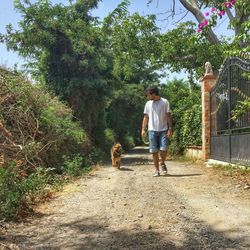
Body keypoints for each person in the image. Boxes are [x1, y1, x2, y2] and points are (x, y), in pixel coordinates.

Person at [141, 86, 173, 177]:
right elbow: (146, 117)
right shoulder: (148, 104)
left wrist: (170, 128)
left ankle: (162, 162)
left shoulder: (165, 102)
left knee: (164, 149)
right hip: (152, 130)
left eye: (148, 95)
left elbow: (168, 115)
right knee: (154, 151)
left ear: (153, 94)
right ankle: (157, 170)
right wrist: (143, 129)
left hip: (163, 130)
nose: (147, 97)